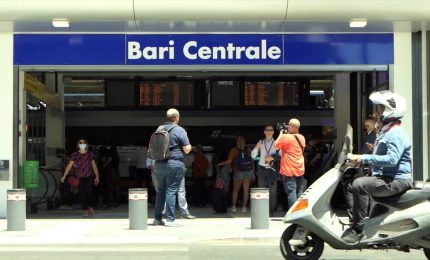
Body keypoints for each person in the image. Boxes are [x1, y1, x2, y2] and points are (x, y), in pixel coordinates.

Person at [343, 90, 413, 244]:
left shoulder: (396, 132)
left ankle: (358, 228)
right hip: (387, 178)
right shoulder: (386, 132)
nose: (376, 112)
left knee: (359, 184)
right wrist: (361, 161)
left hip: (396, 180)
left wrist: (363, 157)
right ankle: (367, 226)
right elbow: (382, 156)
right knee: (350, 185)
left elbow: (392, 160)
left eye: (380, 108)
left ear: (390, 110)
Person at [153, 108, 192, 227]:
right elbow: (186, 149)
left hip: (159, 164)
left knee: (161, 191)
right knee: (171, 191)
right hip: (174, 164)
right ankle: (170, 219)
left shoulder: (160, 128)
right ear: (177, 118)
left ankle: (157, 219)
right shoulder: (179, 130)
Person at [61, 138, 100, 217]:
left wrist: (97, 176)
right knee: (82, 193)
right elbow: (69, 166)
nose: (82, 144)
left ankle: (91, 206)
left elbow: (94, 166)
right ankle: (85, 210)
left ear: (86, 144)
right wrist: (64, 176)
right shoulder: (75, 154)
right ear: (78, 145)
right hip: (80, 177)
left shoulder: (90, 154)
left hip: (89, 176)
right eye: (80, 143)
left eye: (83, 143)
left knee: (89, 192)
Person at [274, 118, 306, 211]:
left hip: (289, 170)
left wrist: (281, 134)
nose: (287, 127)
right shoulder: (302, 137)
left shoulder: (285, 137)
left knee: (291, 192)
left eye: (289, 125)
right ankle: (300, 213)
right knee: (299, 192)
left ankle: (293, 215)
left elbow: (276, 146)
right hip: (299, 169)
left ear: (292, 127)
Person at [218, 136, 254, 213]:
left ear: (237, 142)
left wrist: (220, 163)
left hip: (238, 171)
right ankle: (244, 207)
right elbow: (252, 160)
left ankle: (234, 207)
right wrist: (252, 173)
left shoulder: (234, 150)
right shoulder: (248, 149)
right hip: (248, 171)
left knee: (235, 190)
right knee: (246, 190)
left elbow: (229, 161)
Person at [251, 124, 278, 216]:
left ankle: (271, 211)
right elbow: (253, 156)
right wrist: (256, 147)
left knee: (273, 191)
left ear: (273, 132)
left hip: (272, 168)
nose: (269, 131)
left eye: (271, 130)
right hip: (262, 168)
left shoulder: (277, 143)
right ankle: (263, 211)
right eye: (268, 130)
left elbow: (281, 155)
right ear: (264, 132)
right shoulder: (261, 142)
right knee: (262, 189)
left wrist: (273, 157)